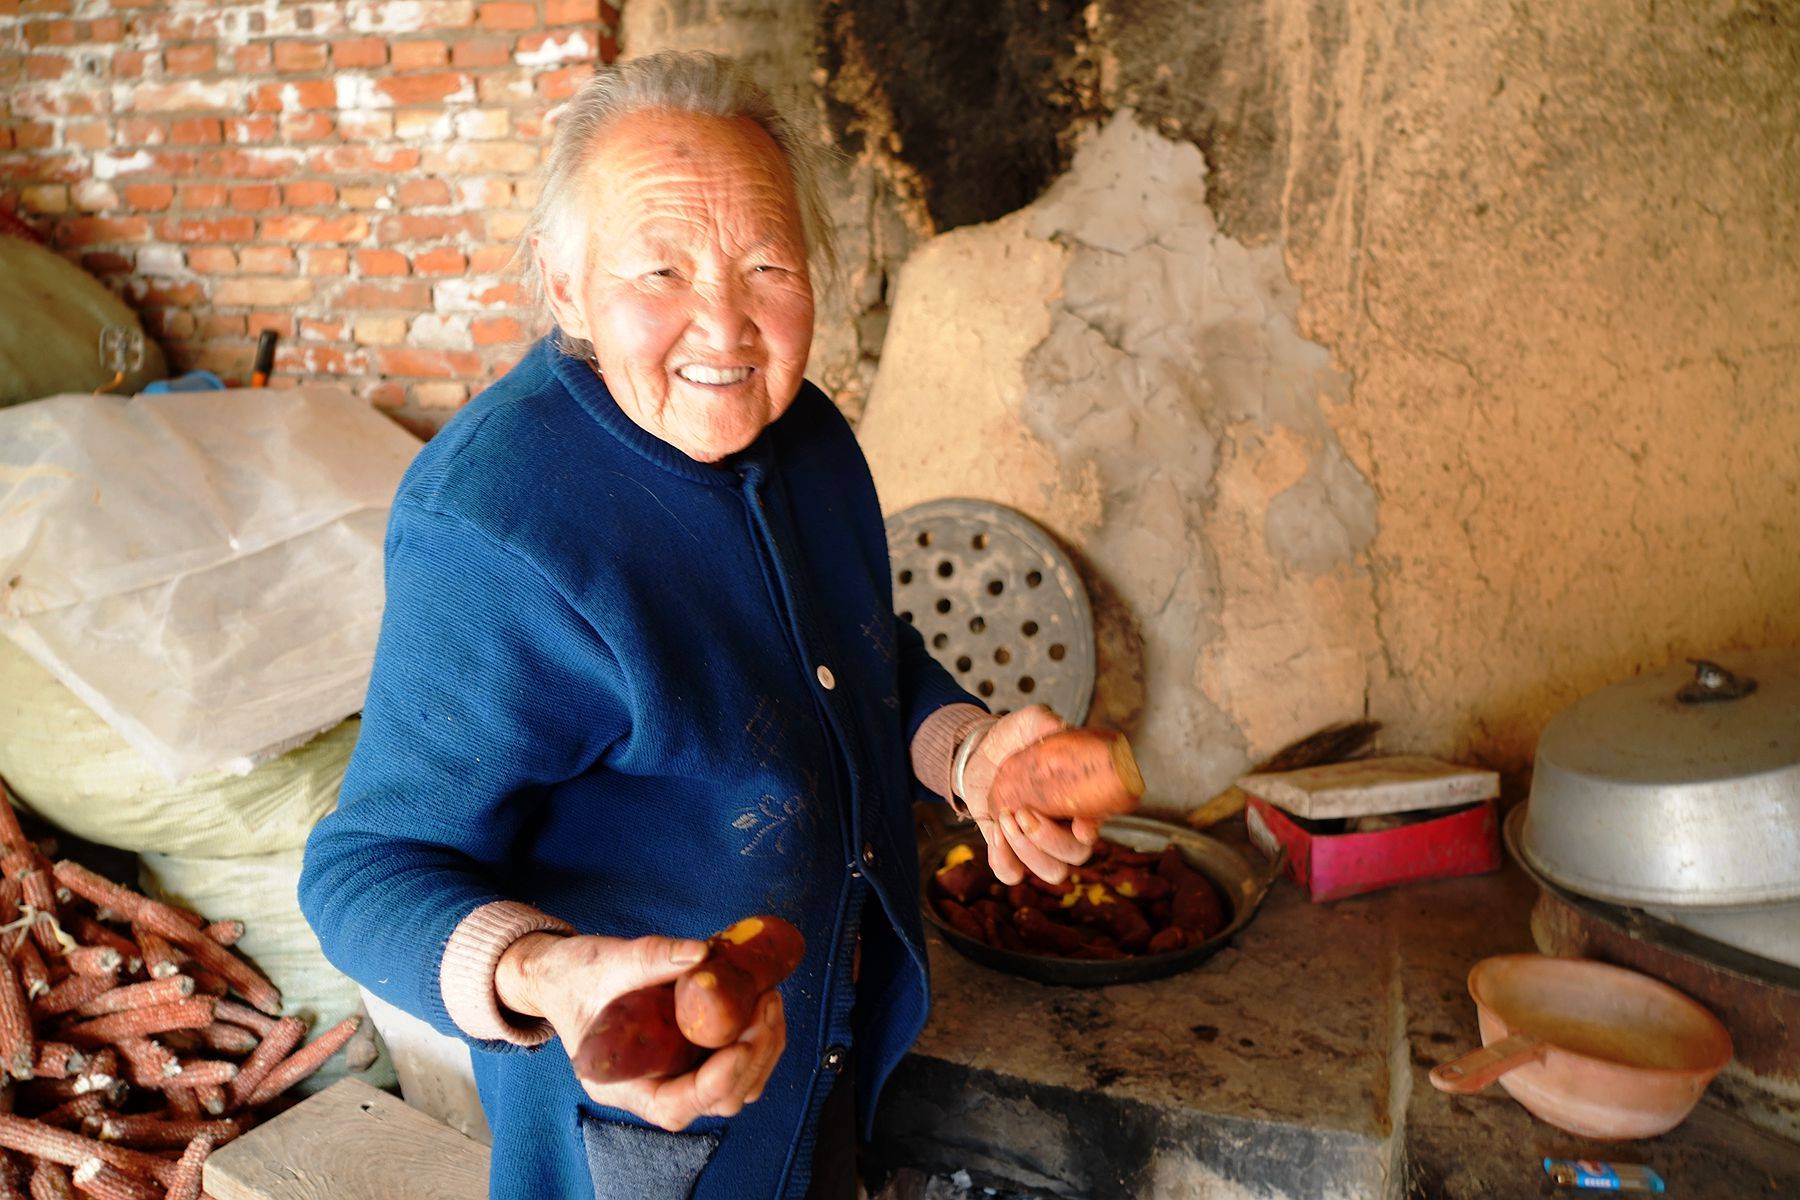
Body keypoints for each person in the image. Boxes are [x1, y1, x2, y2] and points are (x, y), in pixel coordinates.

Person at [299, 50, 1096, 1200]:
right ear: (564, 284)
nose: (724, 323)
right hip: (649, 1134)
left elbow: (854, 659)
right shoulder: (494, 520)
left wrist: (968, 754)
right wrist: (549, 974)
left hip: (824, 1047)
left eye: (767, 263)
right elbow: (362, 869)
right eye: (660, 269)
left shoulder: (810, 441)